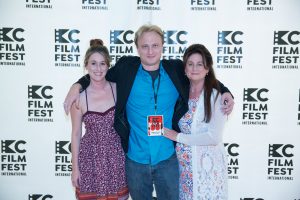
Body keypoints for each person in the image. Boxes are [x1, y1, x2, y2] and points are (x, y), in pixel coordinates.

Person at [64, 24, 234, 200]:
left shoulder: (175, 69)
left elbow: (199, 74)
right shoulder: (125, 68)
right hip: (135, 160)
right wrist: (77, 86)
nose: (150, 51)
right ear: (137, 48)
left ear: (162, 47)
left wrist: (225, 90)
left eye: (155, 45)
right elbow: (99, 74)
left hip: (168, 158)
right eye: (145, 46)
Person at [163, 44, 228, 200]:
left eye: (200, 64)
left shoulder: (216, 96)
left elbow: (214, 137)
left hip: (207, 171)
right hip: (184, 170)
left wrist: (177, 137)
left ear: (207, 69)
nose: (194, 68)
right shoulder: (180, 93)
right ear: (184, 69)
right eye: (190, 64)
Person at [70, 39, 129, 200]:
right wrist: (75, 168)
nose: (98, 68)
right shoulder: (78, 98)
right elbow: (75, 134)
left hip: (116, 158)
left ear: (108, 66)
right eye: (93, 63)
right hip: (90, 159)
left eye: (103, 64)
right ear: (86, 65)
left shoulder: (118, 89)